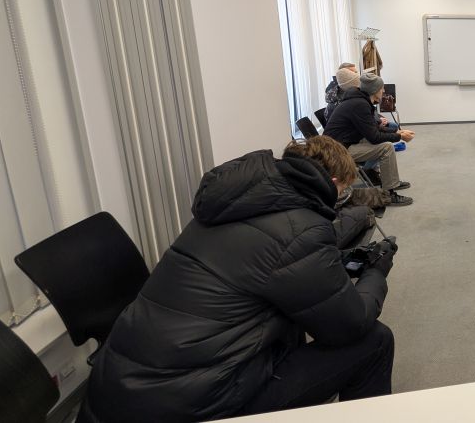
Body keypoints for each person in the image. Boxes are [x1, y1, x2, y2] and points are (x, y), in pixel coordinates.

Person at [80, 136, 396, 422]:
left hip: (121, 388)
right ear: (334, 182)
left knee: (293, 320)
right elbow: (350, 324)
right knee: (374, 341)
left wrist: (335, 263)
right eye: (343, 190)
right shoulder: (301, 228)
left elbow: (269, 267)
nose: (342, 196)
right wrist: (375, 273)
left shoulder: (231, 205)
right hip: (192, 404)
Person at [324, 72, 415, 206]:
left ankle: (391, 181)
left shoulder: (359, 101)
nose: (384, 91)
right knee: (387, 148)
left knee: (384, 143)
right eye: (382, 88)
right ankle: (388, 194)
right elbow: (374, 137)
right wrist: (400, 136)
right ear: (374, 90)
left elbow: (373, 128)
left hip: (341, 145)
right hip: (337, 152)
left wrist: (396, 131)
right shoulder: (359, 104)